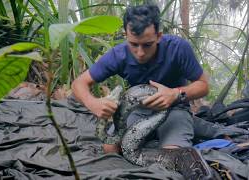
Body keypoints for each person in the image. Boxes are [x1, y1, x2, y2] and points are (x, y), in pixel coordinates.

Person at [71, 4, 209, 153]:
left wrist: (175, 93)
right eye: (134, 44)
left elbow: (203, 85)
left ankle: (185, 129)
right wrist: (92, 103)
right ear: (126, 36)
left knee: (172, 156)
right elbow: (79, 83)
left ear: (159, 36)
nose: (140, 52)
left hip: (175, 109)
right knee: (110, 148)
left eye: (147, 45)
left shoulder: (178, 48)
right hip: (138, 109)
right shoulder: (118, 55)